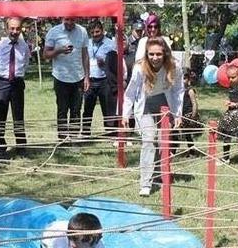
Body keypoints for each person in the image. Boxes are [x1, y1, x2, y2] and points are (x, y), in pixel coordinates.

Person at [121, 37, 184, 197]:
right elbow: (130, 93)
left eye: (158, 54)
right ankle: (146, 183)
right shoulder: (139, 69)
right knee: (149, 139)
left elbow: (178, 91)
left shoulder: (174, 67)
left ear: (165, 54)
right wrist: (125, 114)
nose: (155, 58)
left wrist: (177, 113)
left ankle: (160, 174)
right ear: (146, 54)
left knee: (164, 142)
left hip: (165, 102)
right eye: (151, 54)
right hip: (146, 104)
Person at [44, 17, 90, 141]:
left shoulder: (82, 31)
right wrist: (58, 50)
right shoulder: (54, 32)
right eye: (67, 19)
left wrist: (87, 76)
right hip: (61, 77)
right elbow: (45, 55)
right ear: (63, 18)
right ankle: (63, 138)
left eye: (72, 20)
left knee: (76, 110)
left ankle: (74, 138)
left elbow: (85, 55)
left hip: (78, 77)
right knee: (62, 110)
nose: (70, 23)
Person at [0, 17, 29, 155]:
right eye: (12, 28)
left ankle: (21, 145)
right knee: (0, 115)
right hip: (1, 82)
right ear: (7, 29)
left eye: (18, 28)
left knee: (18, 115)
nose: (15, 31)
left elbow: (25, 63)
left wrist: (18, 75)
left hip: (17, 83)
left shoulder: (24, 46)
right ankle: (0, 145)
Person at [82, 20, 119, 137]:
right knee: (87, 107)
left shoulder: (110, 44)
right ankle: (85, 133)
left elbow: (115, 63)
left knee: (107, 108)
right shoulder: (87, 43)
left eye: (97, 32)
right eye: (92, 32)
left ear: (102, 31)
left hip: (104, 80)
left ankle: (110, 132)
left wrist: (105, 63)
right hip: (90, 80)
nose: (95, 34)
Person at [176, 70, 202, 153]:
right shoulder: (179, 90)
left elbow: (194, 103)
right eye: (181, 79)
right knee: (182, 133)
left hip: (189, 114)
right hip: (182, 114)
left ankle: (191, 150)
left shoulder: (190, 90)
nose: (182, 81)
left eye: (184, 78)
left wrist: (193, 116)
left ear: (188, 79)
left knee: (187, 134)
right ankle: (176, 149)